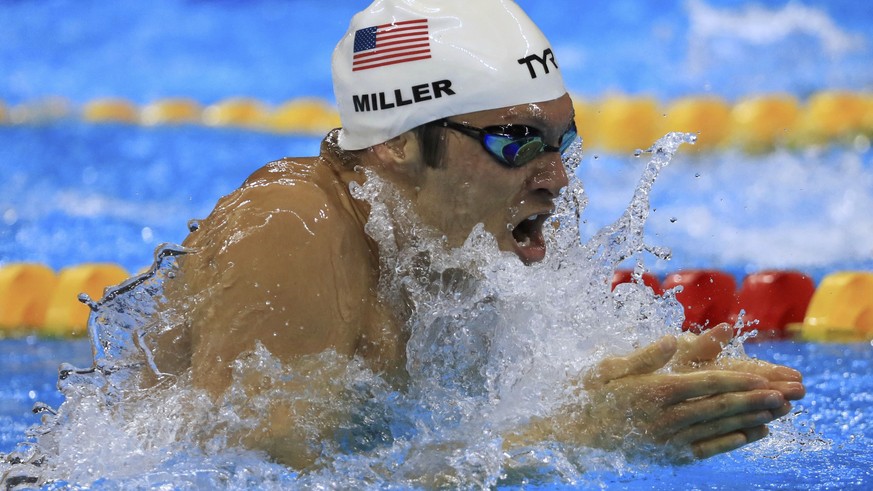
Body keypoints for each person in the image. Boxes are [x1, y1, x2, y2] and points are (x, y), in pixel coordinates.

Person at [148, 0, 805, 471]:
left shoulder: (449, 240)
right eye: (515, 142)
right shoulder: (290, 225)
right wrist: (574, 436)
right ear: (398, 145)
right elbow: (258, 475)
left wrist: (636, 389)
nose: (556, 179)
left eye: (561, 142)